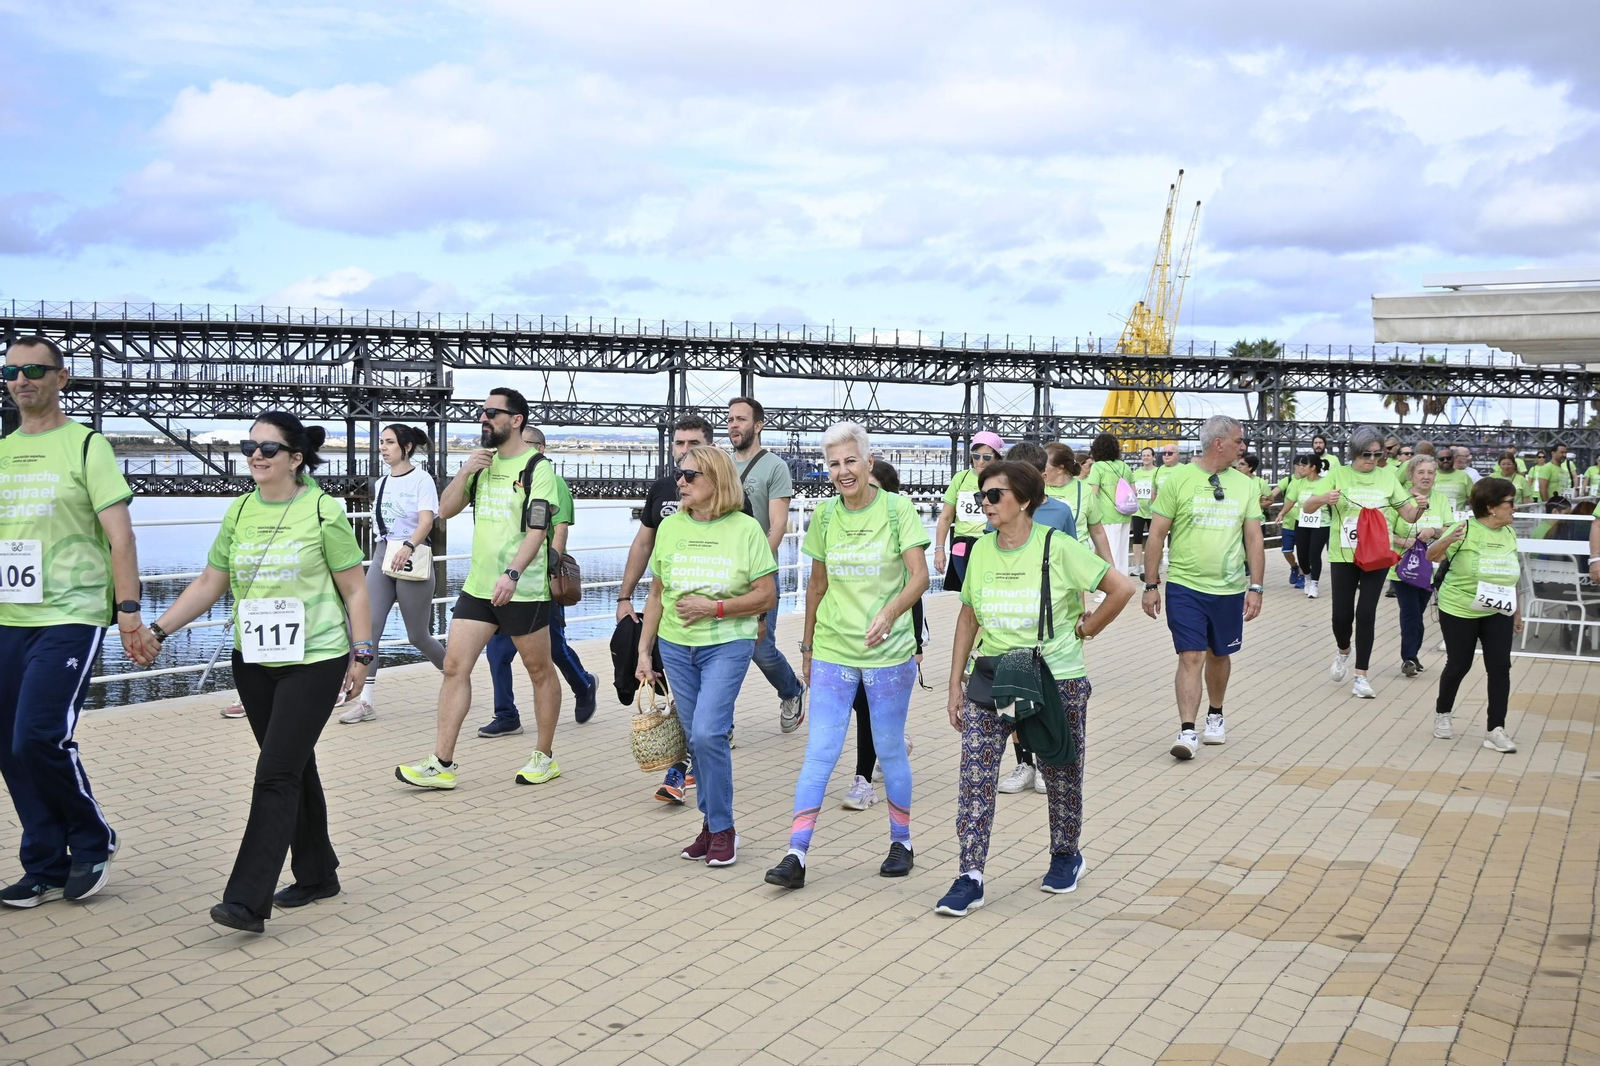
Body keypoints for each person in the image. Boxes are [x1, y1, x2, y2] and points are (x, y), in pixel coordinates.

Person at [150, 411, 371, 932]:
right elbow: (210, 581)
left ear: (295, 459)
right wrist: (158, 632)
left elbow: (356, 588)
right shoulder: (240, 511)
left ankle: (247, 901)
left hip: (314, 659)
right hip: (253, 662)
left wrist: (362, 654)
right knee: (292, 766)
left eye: (269, 448)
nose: (256, 455)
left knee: (274, 773)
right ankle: (318, 874)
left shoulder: (322, 511)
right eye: (251, 445)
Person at [934, 459, 1135, 917]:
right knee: (976, 776)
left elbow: (1120, 588)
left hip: (1054, 675)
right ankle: (970, 875)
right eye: (981, 496)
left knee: (1061, 769)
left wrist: (1088, 630)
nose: (984, 503)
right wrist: (954, 685)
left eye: (994, 496)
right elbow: (968, 617)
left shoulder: (1058, 547)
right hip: (994, 673)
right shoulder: (981, 550)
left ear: (1023, 500)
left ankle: (1066, 854)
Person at [0, 337, 145, 909]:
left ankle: (93, 838)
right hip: (8, 614)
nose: (22, 379)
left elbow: (121, 536)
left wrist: (129, 611)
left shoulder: (87, 446)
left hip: (71, 612)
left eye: (35, 370)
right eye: (11, 371)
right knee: (8, 746)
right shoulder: (3, 450)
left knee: (40, 732)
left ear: (61, 378)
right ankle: (44, 863)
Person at [764, 424, 930, 889]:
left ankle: (902, 842)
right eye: (834, 464)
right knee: (820, 752)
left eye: (850, 461)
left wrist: (891, 612)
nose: (843, 471)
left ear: (868, 462)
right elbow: (817, 585)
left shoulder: (898, 511)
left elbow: (920, 576)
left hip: (888, 652)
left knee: (890, 747)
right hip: (836, 649)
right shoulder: (825, 516)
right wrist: (808, 646)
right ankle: (795, 856)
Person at [396, 388, 563, 791]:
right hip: (478, 587)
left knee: (538, 669)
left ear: (516, 420)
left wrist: (514, 573)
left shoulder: (539, 468)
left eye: (491, 413)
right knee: (455, 667)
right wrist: (466, 471)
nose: (483, 419)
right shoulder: (481, 465)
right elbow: (445, 509)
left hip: (521, 588)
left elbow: (538, 530)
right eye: (481, 412)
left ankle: (544, 756)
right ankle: (442, 762)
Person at [637, 446, 778, 867]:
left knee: (706, 734)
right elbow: (658, 593)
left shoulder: (746, 529)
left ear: (716, 481)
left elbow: (766, 595)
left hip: (727, 642)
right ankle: (711, 825)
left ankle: (724, 829)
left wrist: (713, 608)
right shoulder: (671, 528)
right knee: (698, 741)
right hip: (676, 646)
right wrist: (645, 651)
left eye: (690, 475)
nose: (679, 482)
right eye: (679, 474)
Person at [616, 415, 732, 800]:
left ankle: (681, 772)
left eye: (693, 444)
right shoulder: (665, 489)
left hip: (713, 625)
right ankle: (688, 766)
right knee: (677, 698)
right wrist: (624, 596)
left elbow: (744, 566)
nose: (685, 453)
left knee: (696, 710)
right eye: (679, 444)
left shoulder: (729, 499)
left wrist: (752, 614)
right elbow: (643, 544)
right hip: (668, 619)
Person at [1141, 416, 1265, 760]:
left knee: (1219, 654)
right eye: (1239, 441)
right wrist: (1151, 584)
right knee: (1191, 655)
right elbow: (1156, 535)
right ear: (1219, 443)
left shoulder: (1246, 485)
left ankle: (1216, 713)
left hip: (1228, 588)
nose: (1244, 447)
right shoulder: (1178, 479)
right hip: (1185, 585)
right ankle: (1187, 730)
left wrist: (1256, 587)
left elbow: (1254, 538)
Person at [998, 442, 1106, 796]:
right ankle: (1024, 763)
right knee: (1013, 702)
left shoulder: (1059, 513)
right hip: (1011, 623)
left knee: (1046, 698)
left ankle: (1044, 762)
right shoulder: (1000, 512)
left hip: (1052, 625)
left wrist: (1082, 619)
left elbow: (1074, 569)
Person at [476, 426, 597, 737]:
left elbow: (560, 529)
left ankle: (583, 685)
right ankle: (506, 715)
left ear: (541, 449)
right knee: (497, 652)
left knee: (554, 648)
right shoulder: (502, 476)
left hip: (538, 581)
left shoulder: (552, 481)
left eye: (528, 443)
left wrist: (551, 564)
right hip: (504, 580)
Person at [1298, 426, 1429, 699]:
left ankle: (1361, 676)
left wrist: (1420, 507)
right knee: (1341, 616)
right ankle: (1344, 650)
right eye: (1365, 454)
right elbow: (1308, 506)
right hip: (1344, 555)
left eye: (1377, 454)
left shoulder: (1387, 477)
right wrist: (1324, 498)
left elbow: (1408, 514)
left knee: (1366, 613)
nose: (1371, 459)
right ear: (1354, 453)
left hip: (1377, 554)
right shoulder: (1338, 474)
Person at [341, 424, 445, 724]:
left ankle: (455, 677)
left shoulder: (422, 480)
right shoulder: (382, 482)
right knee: (366, 630)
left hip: (411, 557)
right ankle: (364, 702)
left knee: (418, 635)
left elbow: (426, 521)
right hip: (382, 555)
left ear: (407, 447)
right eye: (381, 443)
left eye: (389, 443)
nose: (383, 448)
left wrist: (409, 546)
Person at [842, 458, 926, 812]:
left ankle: (864, 779)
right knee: (863, 704)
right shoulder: (848, 523)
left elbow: (916, 587)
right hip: (853, 636)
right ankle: (885, 748)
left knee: (872, 706)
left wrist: (918, 645)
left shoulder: (899, 524)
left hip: (894, 635)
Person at [727, 397, 806, 733]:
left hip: (760, 574)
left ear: (758, 425)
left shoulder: (774, 466)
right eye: (730, 419)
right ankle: (721, 727)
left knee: (761, 649)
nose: (733, 425)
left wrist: (760, 564)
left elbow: (776, 525)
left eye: (741, 419)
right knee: (721, 648)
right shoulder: (721, 463)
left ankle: (792, 689)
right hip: (723, 572)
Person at [1427, 478, 1523, 752]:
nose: (1514, 508)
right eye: (1510, 503)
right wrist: (1445, 540)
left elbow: (1512, 577)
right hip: (1459, 607)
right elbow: (1432, 557)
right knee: (1460, 663)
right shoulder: (1464, 529)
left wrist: (1517, 611)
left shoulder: (1509, 533)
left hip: (1497, 609)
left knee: (1500, 667)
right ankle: (1443, 713)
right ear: (1491, 507)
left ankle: (1496, 729)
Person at [1389, 455, 1452, 677]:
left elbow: (1450, 528)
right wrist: (1404, 541)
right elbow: (1386, 530)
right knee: (1410, 613)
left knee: (1419, 611)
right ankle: (1408, 657)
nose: (1426, 477)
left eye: (1430, 473)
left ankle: (1412, 655)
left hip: (1430, 569)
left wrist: (1433, 532)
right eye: (1421, 472)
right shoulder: (1399, 498)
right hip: (1403, 568)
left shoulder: (1441, 500)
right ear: (1411, 475)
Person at [935, 431, 1004, 593]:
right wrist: (939, 549)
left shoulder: (1003, 479)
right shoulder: (961, 478)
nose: (980, 461)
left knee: (989, 591)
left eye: (986, 457)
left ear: (996, 458)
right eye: (976, 456)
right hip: (962, 543)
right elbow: (946, 517)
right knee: (968, 593)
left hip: (990, 543)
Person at [1085, 433, 1134, 576]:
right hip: (1125, 513)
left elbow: (1093, 493)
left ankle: (1113, 590)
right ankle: (1124, 586)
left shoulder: (1098, 467)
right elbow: (1133, 491)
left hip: (1106, 515)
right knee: (1122, 554)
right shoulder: (1125, 466)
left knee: (1109, 555)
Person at [1285, 455, 1327, 597]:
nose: (1300, 468)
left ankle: (1314, 584)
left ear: (1313, 467)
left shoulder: (1326, 482)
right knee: (1302, 555)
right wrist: (1281, 513)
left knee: (1314, 553)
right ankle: (1307, 577)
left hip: (1322, 523)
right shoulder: (1299, 483)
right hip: (1302, 522)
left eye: (1304, 465)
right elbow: (1290, 500)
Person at [1272, 459, 1305, 589]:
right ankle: (1294, 567)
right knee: (1287, 551)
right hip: (1288, 523)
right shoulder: (1288, 480)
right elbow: (1274, 492)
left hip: (1303, 523)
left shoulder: (1308, 481)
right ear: (1295, 466)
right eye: (1300, 465)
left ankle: (1302, 576)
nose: (1302, 467)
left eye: (1305, 465)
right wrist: (1265, 498)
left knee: (1303, 552)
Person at [1130, 448, 1158, 575]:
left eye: (1148, 455)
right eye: (1143, 455)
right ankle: (1137, 566)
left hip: (1153, 510)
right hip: (1138, 510)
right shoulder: (1136, 473)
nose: (1145, 457)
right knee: (1137, 538)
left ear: (1153, 457)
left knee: (1154, 539)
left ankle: (1153, 566)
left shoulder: (1157, 472)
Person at [1430, 447, 1473, 521]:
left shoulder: (1464, 476)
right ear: (1436, 460)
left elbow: (1473, 499)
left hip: (1457, 519)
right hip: (1434, 518)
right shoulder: (1430, 475)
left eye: (1448, 458)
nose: (1445, 461)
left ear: (1453, 459)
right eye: (1442, 459)